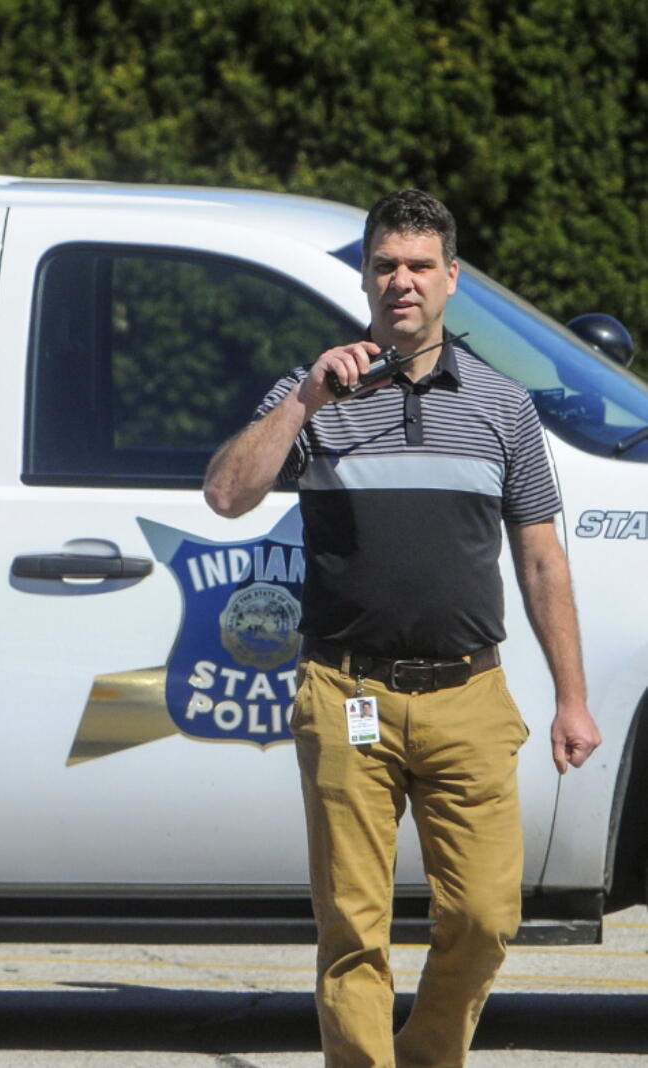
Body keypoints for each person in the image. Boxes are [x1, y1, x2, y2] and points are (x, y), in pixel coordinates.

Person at [203, 189, 601, 1067]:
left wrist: (573, 699)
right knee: (353, 929)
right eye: (386, 265)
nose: (402, 282)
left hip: (469, 697)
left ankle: (424, 1056)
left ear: (452, 279)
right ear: (366, 277)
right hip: (348, 692)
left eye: (420, 265)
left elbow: (542, 561)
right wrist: (305, 396)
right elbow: (227, 493)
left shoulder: (504, 407)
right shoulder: (312, 396)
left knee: (488, 919)